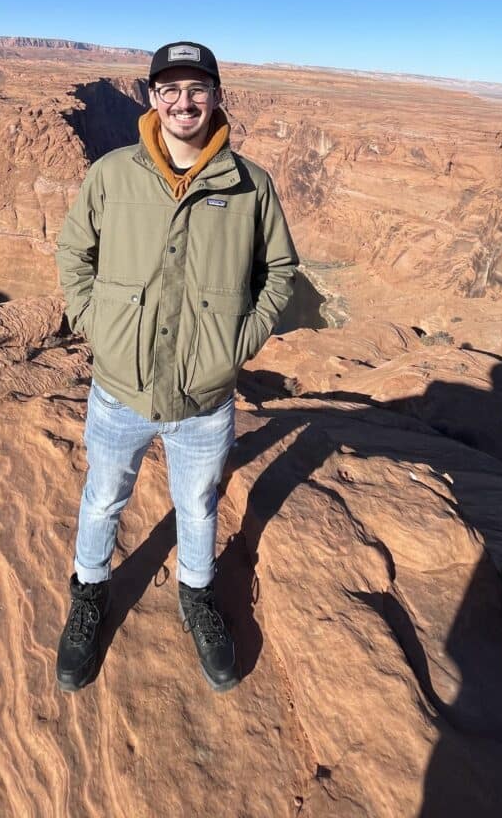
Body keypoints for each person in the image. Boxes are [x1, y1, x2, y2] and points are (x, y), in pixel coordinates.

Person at [54, 40, 298, 692]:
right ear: (151, 96)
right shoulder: (113, 173)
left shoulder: (250, 186)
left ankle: (196, 595)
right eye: (170, 89)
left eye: (197, 89)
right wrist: (97, 325)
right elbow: (74, 251)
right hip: (119, 387)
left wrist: (237, 342)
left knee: (196, 505)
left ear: (216, 96)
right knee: (103, 496)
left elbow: (280, 272)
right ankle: (90, 592)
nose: (183, 101)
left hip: (206, 394)